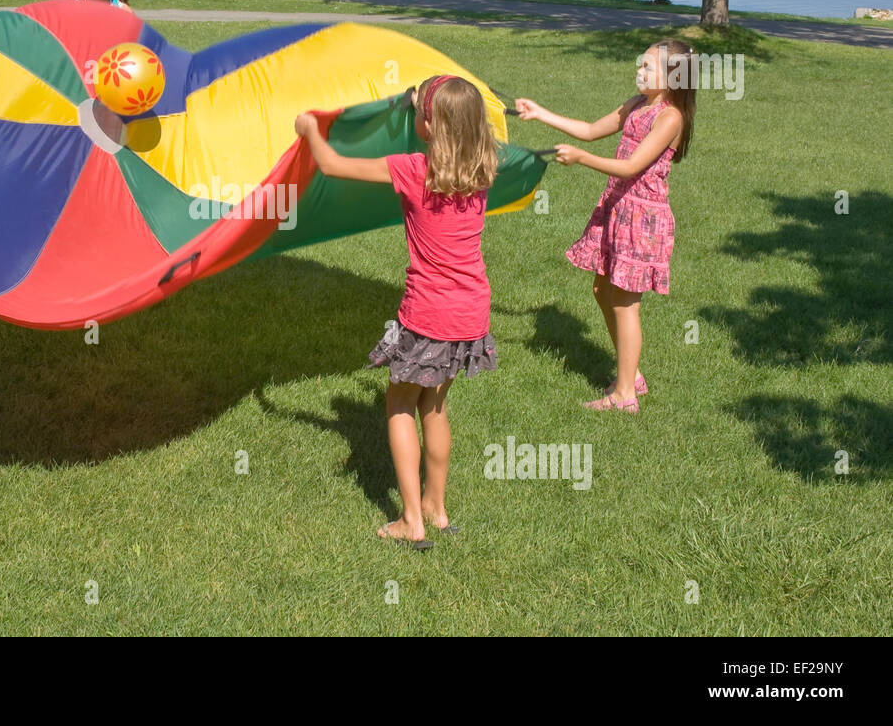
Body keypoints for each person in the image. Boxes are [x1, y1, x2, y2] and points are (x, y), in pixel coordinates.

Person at [295, 75, 499, 549]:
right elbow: (453, 126)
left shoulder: (414, 169)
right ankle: (436, 506)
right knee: (436, 404)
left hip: (428, 313)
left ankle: (411, 520)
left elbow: (331, 164)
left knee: (400, 403)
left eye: (420, 114)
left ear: (428, 125)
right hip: (471, 311)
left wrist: (309, 129)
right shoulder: (482, 169)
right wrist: (420, 102)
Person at [515, 39, 695, 413]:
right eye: (640, 65)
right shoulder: (637, 104)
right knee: (602, 290)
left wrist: (581, 160)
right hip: (618, 206)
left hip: (642, 218)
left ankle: (624, 395)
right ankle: (632, 375)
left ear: (673, 77)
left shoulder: (669, 118)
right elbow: (592, 128)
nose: (639, 72)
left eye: (648, 68)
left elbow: (632, 167)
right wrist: (541, 113)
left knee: (626, 304)